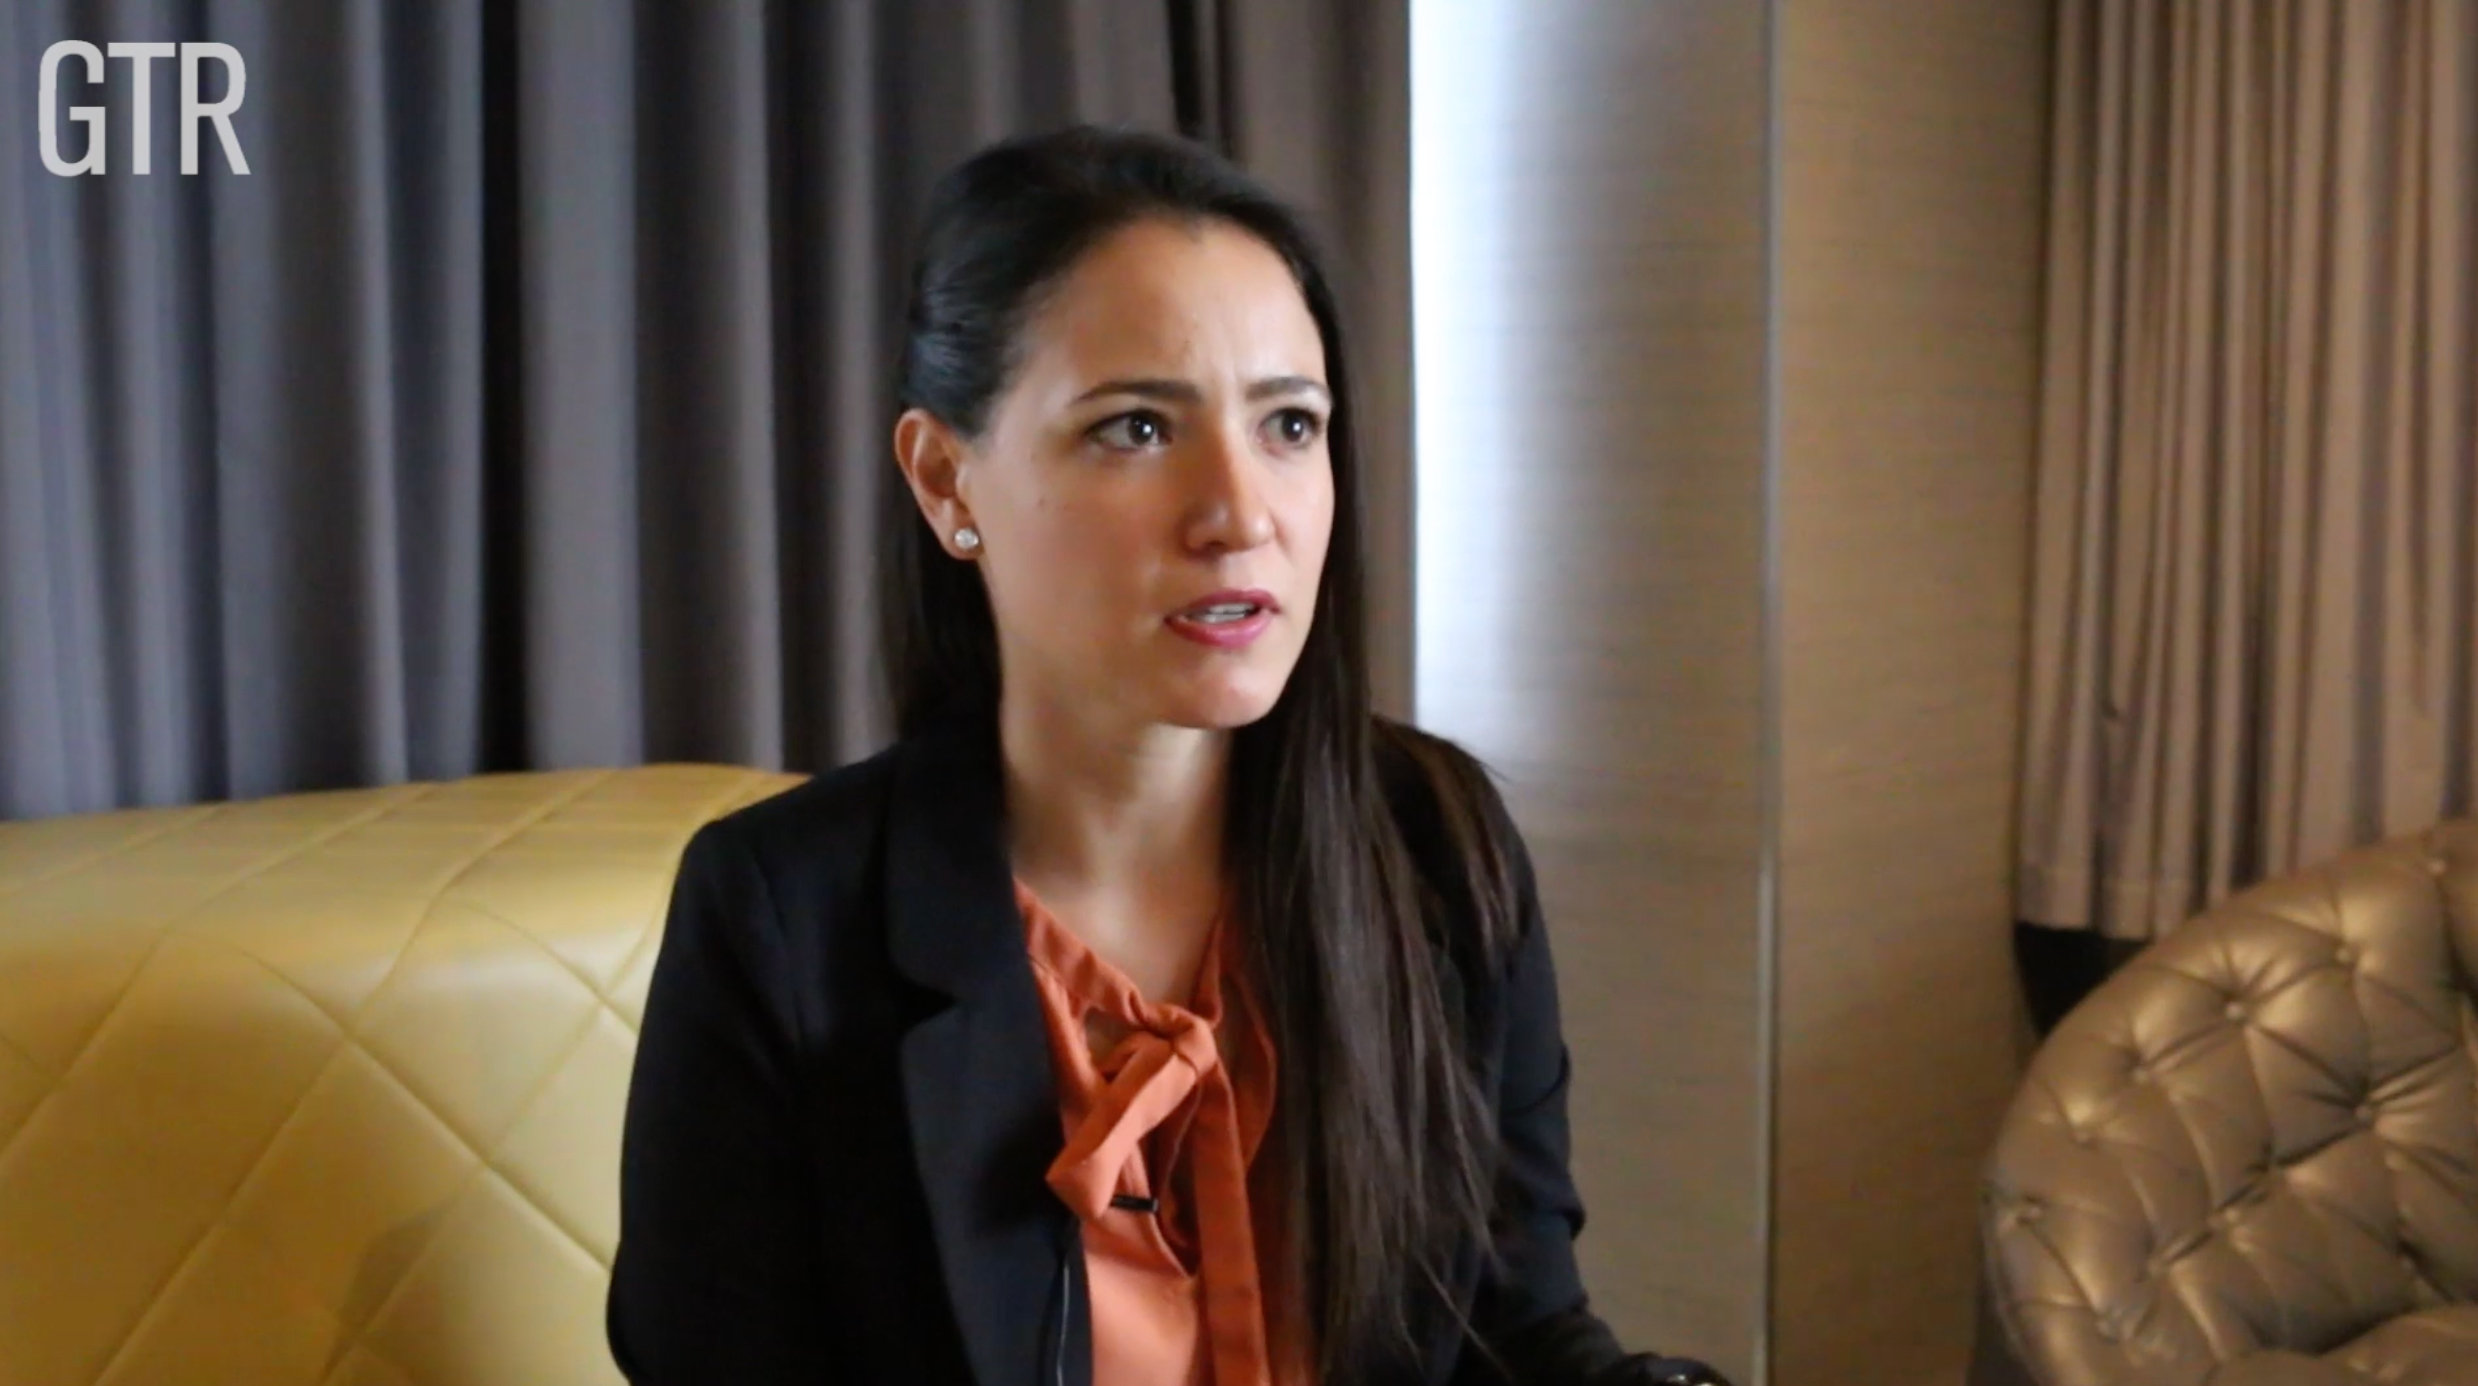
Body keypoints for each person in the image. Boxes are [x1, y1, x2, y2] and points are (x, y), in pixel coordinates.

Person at [605, 123, 1726, 1386]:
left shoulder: (1432, 847)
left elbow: (1516, 1332)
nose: (1241, 514)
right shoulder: (784, 918)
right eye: (1137, 428)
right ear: (947, 482)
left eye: (1289, 425)